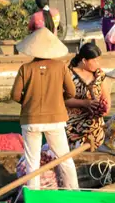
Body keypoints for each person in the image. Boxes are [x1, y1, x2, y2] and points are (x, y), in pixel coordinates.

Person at [10, 28, 79, 191]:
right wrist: (56, 101)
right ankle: (74, 190)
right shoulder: (61, 67)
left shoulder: (25, 69)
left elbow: (14, 95)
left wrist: (27, 103)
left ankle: (34, 195)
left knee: (31, 161)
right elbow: (72, 92)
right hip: (55, 120)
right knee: (65, 159)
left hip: (31, 119)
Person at [64, 42, 110, 149]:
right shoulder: (68, 74)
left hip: (96, 128)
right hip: (74, 127)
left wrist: (104, 108)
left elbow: (106, 97)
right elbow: (62, 100)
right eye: (94, 61)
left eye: (99, 60)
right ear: (84, 60)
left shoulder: (100, 75)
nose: (98, 64)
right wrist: (84, 103)